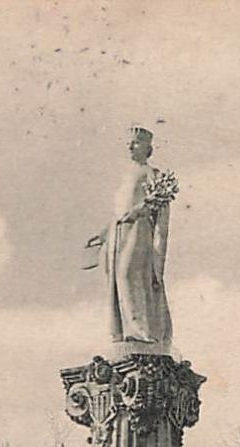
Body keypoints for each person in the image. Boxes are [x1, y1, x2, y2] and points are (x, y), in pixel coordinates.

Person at [84, 126, 173, 348]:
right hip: (117, 232)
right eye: (129, 142)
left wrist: (139, 210)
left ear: (147, 147)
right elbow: (119, 211)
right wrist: (103, 233)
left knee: (128, 274)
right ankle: (122, 331)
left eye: (135, 142)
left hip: (139, 229)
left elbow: (157, 207)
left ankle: (142, 331)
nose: (130, 146)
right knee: (115, 278)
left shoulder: (153, 174)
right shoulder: (125, 176)